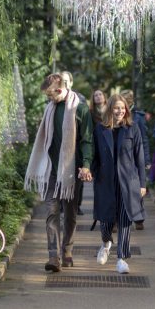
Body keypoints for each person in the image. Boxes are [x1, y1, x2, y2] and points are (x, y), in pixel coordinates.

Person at [24, 73, 93, 272]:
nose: (49, 99)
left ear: (60, 88)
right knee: (52, 212)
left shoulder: (79, 109)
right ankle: (53, 255)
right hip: (51, 170)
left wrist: (86, 164)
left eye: (51, 95)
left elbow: (87, 139)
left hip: (71, 171)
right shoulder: (50, 109)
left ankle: (67, 250)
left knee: (70, 213)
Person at [92, 94, 146, 274]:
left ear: (127, 110)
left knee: (124, 219)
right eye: (116, 108)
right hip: (105, 181)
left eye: (123, 108)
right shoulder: (100, 129)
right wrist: (90, 172)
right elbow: (95, 155)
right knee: (105, 220)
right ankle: (106, 242)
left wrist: (143, 184)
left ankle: (122, 259)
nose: (120, 111)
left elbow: (140, 157)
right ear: (110, 109)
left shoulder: (133, 128)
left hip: (127, 182)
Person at [120, 89, 150, 230]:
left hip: (136, 154)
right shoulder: (117, 113)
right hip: (124, 156)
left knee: (137, 187)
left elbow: (144, 139)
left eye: (126, 99)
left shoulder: (138, 116)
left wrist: (147, 159)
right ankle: (118, 217)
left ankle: (139, 217)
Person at [61, 70, 87, 215]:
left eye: (66, 81)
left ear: (71, 82)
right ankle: (62, 204)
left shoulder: (80, 98)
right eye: (61, 80)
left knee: (78, 178)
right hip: (61, 145)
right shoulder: (54, 99)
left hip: (76, 143)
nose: (64, 84)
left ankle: (77, 204)